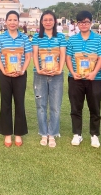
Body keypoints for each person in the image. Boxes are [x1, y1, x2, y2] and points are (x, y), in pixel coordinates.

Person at [66, 11, 101, 148]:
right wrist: (72, 72)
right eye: (81, 22)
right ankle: (77, 134)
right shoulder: (72, 39)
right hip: (75, 78)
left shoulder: (98, 39)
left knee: (94, 107)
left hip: (94, 79)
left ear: (91, 23)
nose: (84, 25)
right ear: (77, 24)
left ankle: (94, 135)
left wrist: (95, 72)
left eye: (86, 22)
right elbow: (68, 57)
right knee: (75, 107)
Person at [0, 10, 32, 147]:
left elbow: (28, 56)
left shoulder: (24, 38)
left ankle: (19, 133)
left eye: (15, 20)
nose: (12, 22)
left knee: (19, 103)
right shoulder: (1, 38)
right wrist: (4, 71)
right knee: (6, 102)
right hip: (5, 74)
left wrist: (22, 70)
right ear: (6, 21)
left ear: (18, 22)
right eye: (10, 20)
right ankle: (7, 133)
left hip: (20, 75)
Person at [32, 11, 66, 147]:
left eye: (50, 20)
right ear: (41, 22)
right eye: (45, 20)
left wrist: (59, 69)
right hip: (40, 75)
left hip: (57, 76)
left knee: (55, 106)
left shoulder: (61, 37)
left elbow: (63, 54)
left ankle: (52, 133)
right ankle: (43, 132)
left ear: (54, 21)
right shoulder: (36, 37)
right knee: (41, 105)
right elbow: (35, 54)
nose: (47, 22)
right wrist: (38, 69)